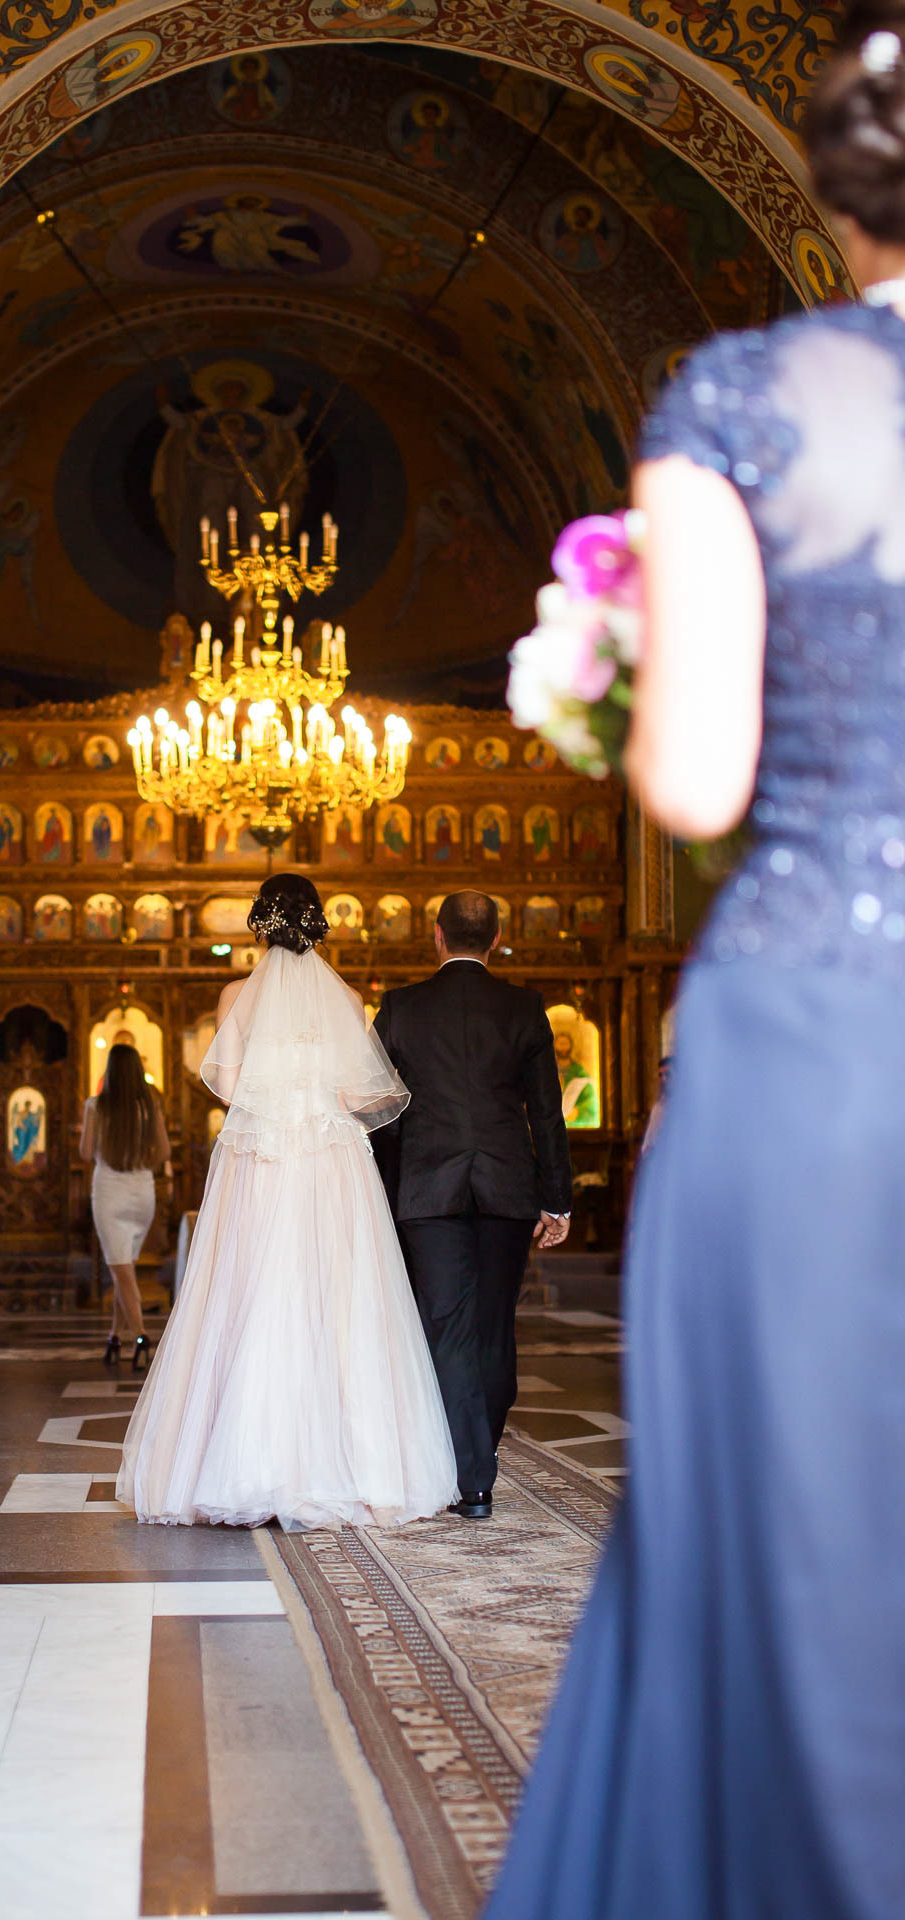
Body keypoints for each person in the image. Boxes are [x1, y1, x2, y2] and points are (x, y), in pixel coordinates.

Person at [483, 18, 905, 1916]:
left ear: (837, 197)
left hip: (821, 1019)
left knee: (781, 1506)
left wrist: (610, 675)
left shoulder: (746, 398)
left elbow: (699, 782)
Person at [117, 873, 457, 1531]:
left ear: (259, 924)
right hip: (332, 1162)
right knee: (340, 1297)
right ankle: (355, 1468)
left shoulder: (236, 995)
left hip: (262, 1159)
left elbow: (226, 1083)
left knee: (249, 1289)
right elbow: (361, 1095)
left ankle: (244, 1464)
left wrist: (277, 1095)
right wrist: (315, 1095)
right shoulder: (348, 998)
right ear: (319, 922)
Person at [372, 892, 572, 1518]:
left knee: (448, 1327)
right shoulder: (524, 1007)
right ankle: (476, 1465)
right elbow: (546, 1112)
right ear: (496, 938)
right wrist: (557, 1201)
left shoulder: (400, 1007)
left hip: (427, 1192)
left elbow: (381, 1113)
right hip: (507, 1190)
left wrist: (388, 1192)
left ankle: (471, 1473)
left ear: (436, 936)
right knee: (493, 1326)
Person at [80, 1042, 171, 1372]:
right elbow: (164, 1153)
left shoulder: (96, 1107)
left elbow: (85, 1152)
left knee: (122, 1270)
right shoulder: (149, 1106)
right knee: (125, 1268)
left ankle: (141, 1338)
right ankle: (115, 1337)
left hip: (110, 1191)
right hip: (141, 1192)